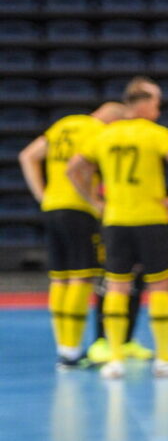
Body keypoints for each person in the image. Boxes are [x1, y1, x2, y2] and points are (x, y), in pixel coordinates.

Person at [66, 78, 168, 379]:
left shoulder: (105, 135)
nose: (158, 111)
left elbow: (73, 169)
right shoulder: (156, 133)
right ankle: (164, 359)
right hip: (151, 218)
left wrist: (94, 201)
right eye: (156, 105)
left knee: (117, 286)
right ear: (144, 104)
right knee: (160, 286)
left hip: (116, 219)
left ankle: (115, 359)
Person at [18, 101, 128, 368]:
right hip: (78, 210)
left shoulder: (63, 125)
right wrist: (93, 201)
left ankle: (65, 348)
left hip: (52, 207)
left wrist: (42, 195)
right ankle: (72, 352)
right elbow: (79, 169)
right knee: (81, 276)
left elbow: (27, 156)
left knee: (60, 278)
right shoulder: (98, 131)